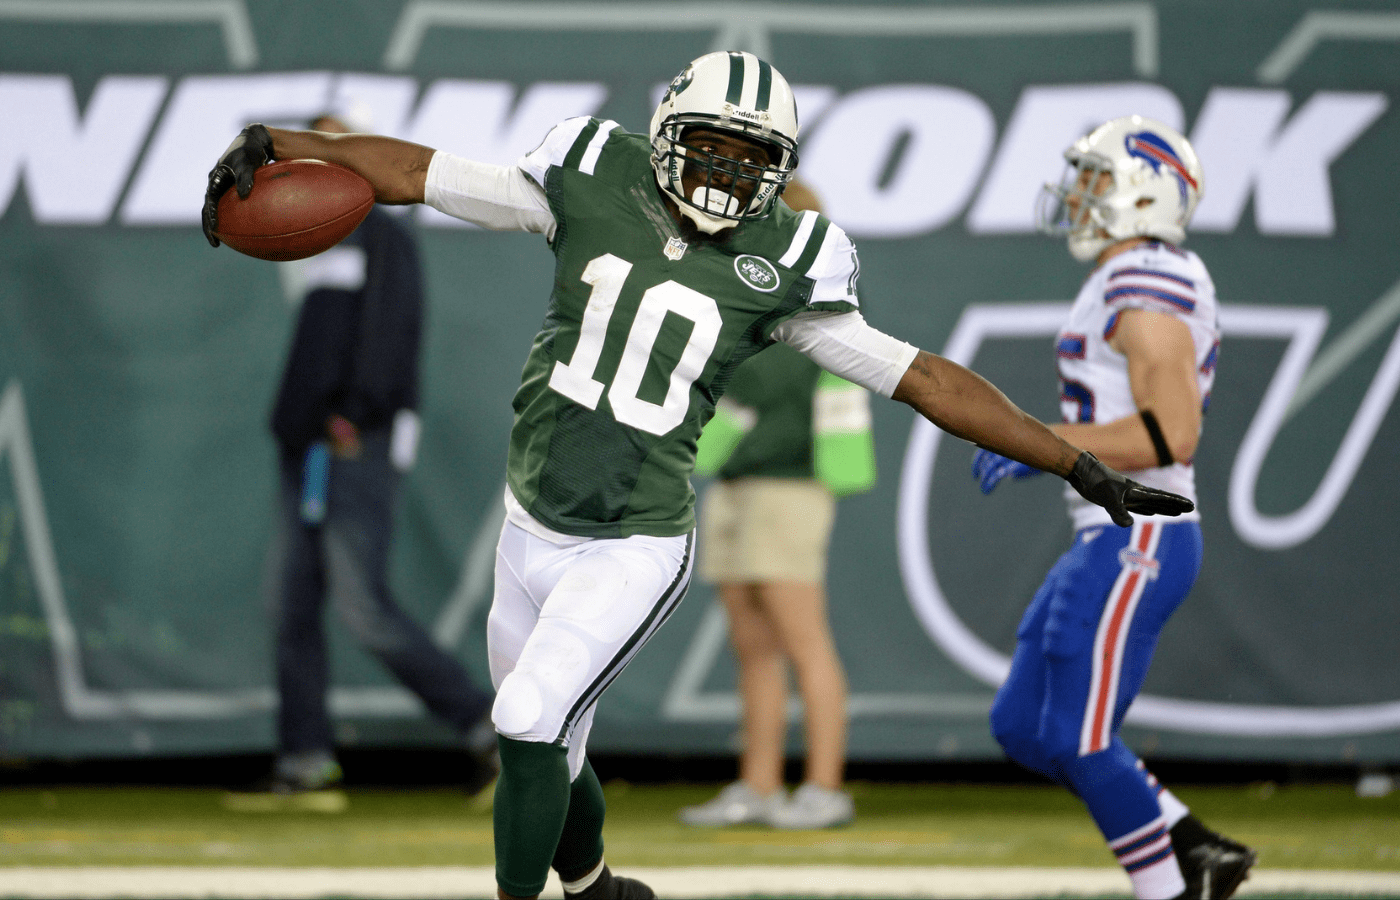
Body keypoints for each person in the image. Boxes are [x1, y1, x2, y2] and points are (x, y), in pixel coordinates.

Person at [203, 52, 1191, 900]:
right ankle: (592, 886)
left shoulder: (789, 261)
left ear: (780, 171)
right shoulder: (587, 173)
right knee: (552, 748)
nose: (725, 173)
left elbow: (923, 378)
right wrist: (285, 141)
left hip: (633, 538)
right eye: (711, 146)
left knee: (526, 715)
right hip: (529, 521)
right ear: (666, 130)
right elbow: (416, 172)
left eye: (750, 158)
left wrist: (1076, 462)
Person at [971, 116, 1256, 900]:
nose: (1079, 194)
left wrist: (1044, 443)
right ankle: (1192, 846)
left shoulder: (1148, 276)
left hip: (1142, 535)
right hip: (1106, 535)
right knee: (1025, 726)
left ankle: (1169, 889)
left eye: (1096, 178)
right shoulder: (1127, 274)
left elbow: (1172, 433)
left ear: (1143, 194)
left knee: (1080, 738)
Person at [257, 110, 496, 796]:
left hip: (352, 445)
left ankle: (486, 727)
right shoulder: (312, 241)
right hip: (305, 447)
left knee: (364, 609)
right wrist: (300, 423)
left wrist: (355, 415)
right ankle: (305, 758)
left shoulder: (380, 236)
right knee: (290, 606)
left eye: (338, 148)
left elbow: (392, 336)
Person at [678, 182, 865, 830]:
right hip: (735, 485)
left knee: (804, 640)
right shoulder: (745, 300)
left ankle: (824, 786)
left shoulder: (816, 304)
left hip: (789, 487)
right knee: (751, 644)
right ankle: (757, 786)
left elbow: (752, 381)